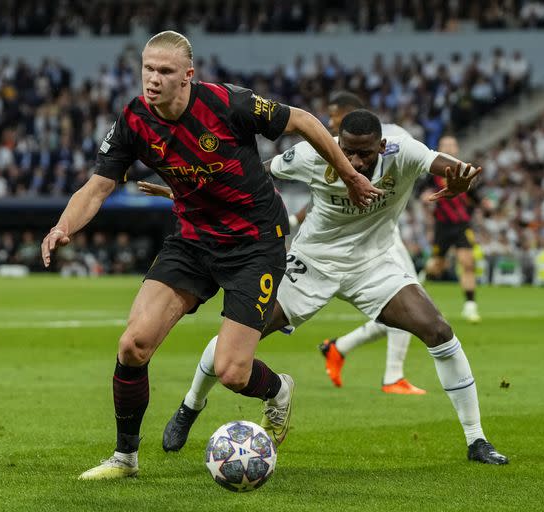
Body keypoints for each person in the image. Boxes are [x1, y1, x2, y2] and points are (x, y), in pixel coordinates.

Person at [40, 31, 383, 481]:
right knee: (133, 344)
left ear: (187, 76)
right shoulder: (134, 119)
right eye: (148, 69)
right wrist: (63, 226)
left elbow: (304, 121)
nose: (153, 79)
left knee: (232, 372)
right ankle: (125, 458)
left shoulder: (227, 104)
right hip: (192, 240)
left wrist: (350, 177)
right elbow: (98, 186)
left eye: (165, 71)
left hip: (254, 243)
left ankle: (278, 390)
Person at [143, 109, 508, 465]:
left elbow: (448, 165)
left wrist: (463, 178)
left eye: (364, 152)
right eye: (346, 149)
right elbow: (252, 174)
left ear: (381, 146)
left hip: (374, 264)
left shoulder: (403, 152)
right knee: (237, 337)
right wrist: (189, 191)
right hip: (311, 263)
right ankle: (191, 405)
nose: (354, 159)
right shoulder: (312, 154)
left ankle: (477, 439)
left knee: (439, 330)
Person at [303, 91, 427, 394]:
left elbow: (412, 167)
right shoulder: (333, 148)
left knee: (407, 302)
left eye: (333, 114)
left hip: (381, 235)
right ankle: (389, 374)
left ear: (347, 113)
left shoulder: (397, 137)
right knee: (406, 303)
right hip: (346, 240)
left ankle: (343, 349)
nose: (329, 121)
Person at [422, 135, 483, 323]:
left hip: (462, 225)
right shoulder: (431, 173)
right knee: (437, 266)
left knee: (467, 262)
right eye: (445, 145)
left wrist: (484, 203)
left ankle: (470, 306)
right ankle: (420, 278)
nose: (448, 148)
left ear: (457, 148)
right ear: (439, 147)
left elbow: (475, 196)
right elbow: (422, 193)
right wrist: (426, 198)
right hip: (442, 226)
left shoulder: (465, 171)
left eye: (451, 145)